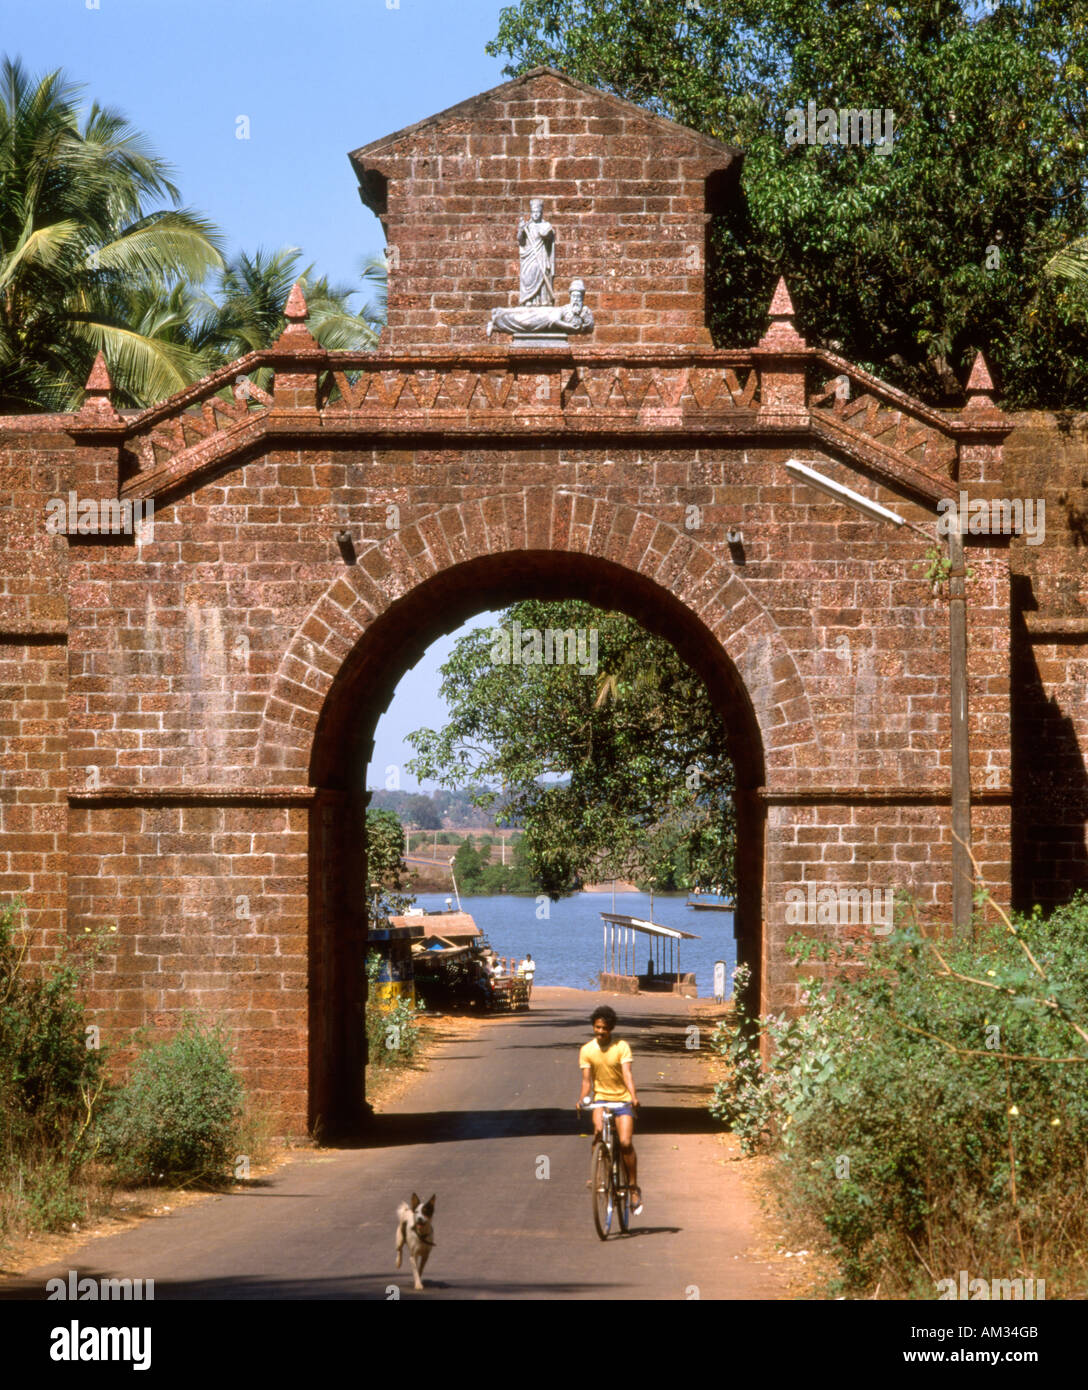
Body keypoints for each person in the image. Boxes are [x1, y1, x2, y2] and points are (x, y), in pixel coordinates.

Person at [577, 1005, 641, 1215]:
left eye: (604, 1028)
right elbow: (587, 1081)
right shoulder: (587, 1050)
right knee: (597, 1134)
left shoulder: (621, 1047)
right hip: (601, 1099)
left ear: (611, 1028)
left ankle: (632, 1187)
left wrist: (633, 1097)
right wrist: (581, 1100)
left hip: (621, 1101)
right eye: (597, 1027)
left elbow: (627, 1074)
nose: (600, 1032)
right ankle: (598, 1174)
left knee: (625, 1142)